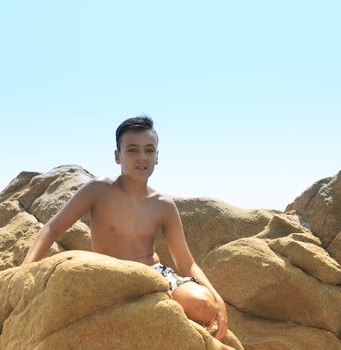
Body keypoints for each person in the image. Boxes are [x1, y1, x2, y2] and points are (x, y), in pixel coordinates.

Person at [22, 116, 229, 342]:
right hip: (114, 277)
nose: (142, 157)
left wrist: (217, 299)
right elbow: (52, 228)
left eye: (149, 150)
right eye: (132, 150)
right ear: (117, 155)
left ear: (157, 157)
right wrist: (23, 271)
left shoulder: (163, 204)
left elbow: (185, 262)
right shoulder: (98, 190)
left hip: (156, 276)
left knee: (203, 305)